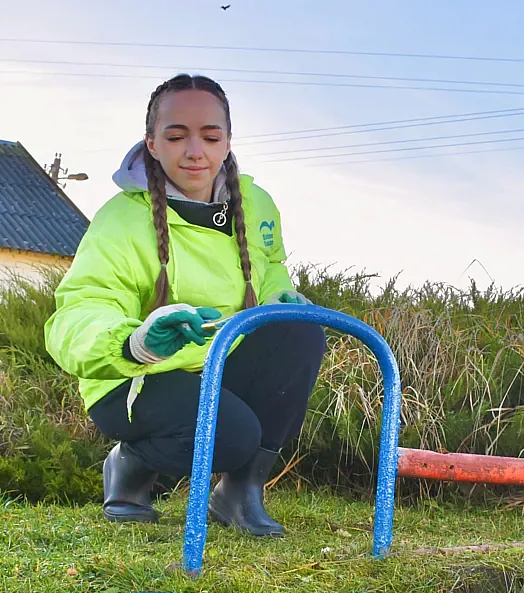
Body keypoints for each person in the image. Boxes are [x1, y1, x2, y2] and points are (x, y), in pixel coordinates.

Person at [44, 74, 326, 538]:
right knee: (233, 434)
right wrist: (136, 341)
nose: (195, 151)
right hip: (133, 376)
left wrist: (281, 298)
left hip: (216, 363)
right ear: (152, 143)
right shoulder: (120, 220)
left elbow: (270, 269)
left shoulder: (256, 204)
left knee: (298, 330)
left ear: (228, 142)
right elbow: (78, 312)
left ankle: (239, 491)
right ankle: (130, 465)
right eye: (176, 136)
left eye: (210, 137)